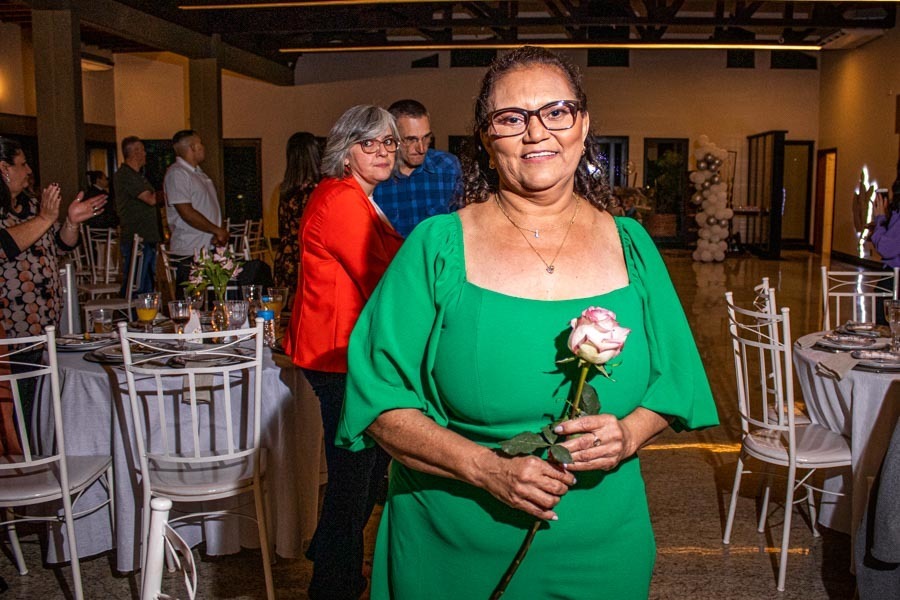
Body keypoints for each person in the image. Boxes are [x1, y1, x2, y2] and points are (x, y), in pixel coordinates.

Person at [336, 47, 719, 599]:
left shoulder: (631, 245)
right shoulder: (438, 246)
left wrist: (628, 433)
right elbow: (377, 401)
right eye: (511, 118)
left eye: (556, 111)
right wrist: (485, 468)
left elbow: (676, 381)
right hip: (454, 544)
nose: (536, 132)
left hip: (602, 545)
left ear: (583, 125)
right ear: (487, 141)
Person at [283, 105, 403, 600]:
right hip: (337, 354)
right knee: (357, 476)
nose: (382, 152)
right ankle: (333, 583)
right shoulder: (341, 200)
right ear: (346, 150)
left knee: (366, 472)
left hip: (342, 351)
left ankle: (333, 557)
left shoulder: (356, 196)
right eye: (369, 143)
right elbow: (380, 274)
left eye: (389, 143)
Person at [0, 136, 106, 420]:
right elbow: (4, 245)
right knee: (17, 410)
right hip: (11, 331)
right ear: (4, 168)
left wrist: (71, 222)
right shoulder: (29, 214)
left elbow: (61, 245)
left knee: (42, 406)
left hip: (44, 326)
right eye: (22, 165)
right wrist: (46, 218)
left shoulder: (34, 208)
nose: (29, 171)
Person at [373, 99, 461, 237]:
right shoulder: (375, 175)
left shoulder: (447, 167)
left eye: (426, 137)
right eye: (411, 139)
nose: (421, 148)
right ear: (391, 137)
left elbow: (461, 225)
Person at [163, 130, 228, 288]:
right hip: (190, 250)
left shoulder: (198, 173)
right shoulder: (178, 173)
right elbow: (186, 212)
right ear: (192, 147)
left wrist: (216, 232)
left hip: (206, 247)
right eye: (201, 144)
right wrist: (216, 230)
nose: (203, 148)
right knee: (191, 304)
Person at [273, 132, 321, 298]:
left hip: (286, 257)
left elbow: (282, 227)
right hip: (306, 258)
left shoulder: (285, 190)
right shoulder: (317, 191)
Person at [114, 136, 160, 295]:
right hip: (137, 237)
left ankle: (145, 315)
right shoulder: (126, 175)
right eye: (142, 149)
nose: (145, 154)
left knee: (146, 282)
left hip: (145, 236)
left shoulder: (139, 176)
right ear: (134, 152)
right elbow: (150, 199)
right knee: (137, 283)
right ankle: (133, 316)